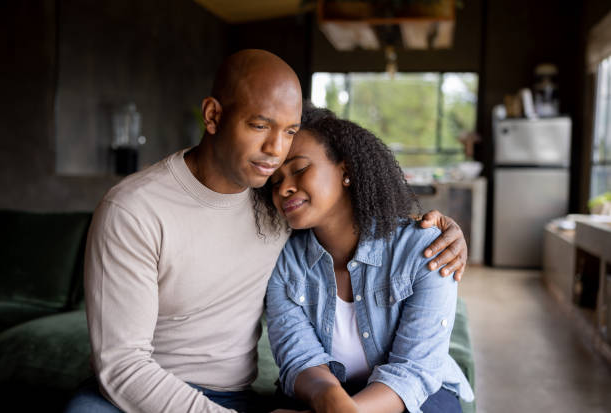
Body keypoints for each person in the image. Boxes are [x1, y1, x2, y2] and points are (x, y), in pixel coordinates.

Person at [64, 50, 468, 413]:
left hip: (230, 395)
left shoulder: (277, 206)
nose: (277, 152)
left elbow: (361, 229)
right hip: (140, 394)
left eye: (290, 132)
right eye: (260, 125)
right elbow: (122, 366)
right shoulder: (136, 209)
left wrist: (448, 234)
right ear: (213, 116)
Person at [259, 105, 475, 413]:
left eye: (299, 168)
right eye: (275, 180)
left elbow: (414, 372)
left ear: (346, 170)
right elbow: (299, 359)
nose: (284, 188)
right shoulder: (284, 262)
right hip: (321, 394)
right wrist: (329, 402)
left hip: (415, 398)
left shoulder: (424, 248)